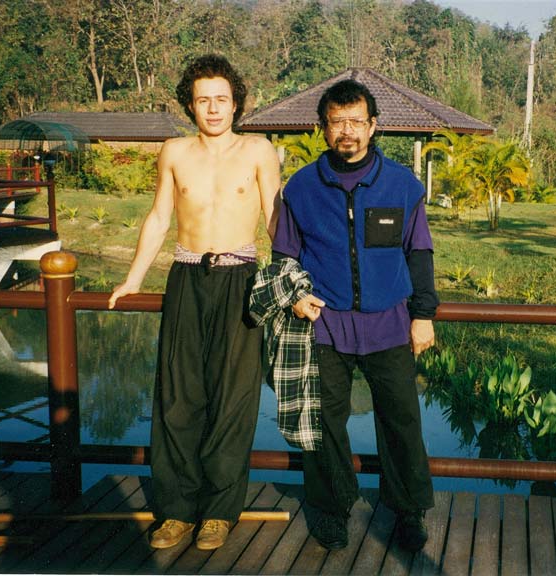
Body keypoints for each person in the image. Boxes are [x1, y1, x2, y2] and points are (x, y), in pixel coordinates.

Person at [108, 54, 281, 551]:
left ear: (236, 104)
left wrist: (292, 279)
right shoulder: (174, 151)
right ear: (190, 103)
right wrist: (133, 280)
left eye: (221, 99)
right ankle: (177, 511)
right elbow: (159, 218)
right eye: (203, 99)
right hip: (186, 276)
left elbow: (274, 215)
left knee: (234, 397)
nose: (212, 108)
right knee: (178, 396)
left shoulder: (257, 149)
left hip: (241, 279)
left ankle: (218, 513)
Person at [271, 79, 438, 552]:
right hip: (324, 322)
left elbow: (419, 253)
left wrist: (422, 315)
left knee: (402, 419)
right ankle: (331, 508)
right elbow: (284, 256)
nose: (347, 131)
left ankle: (407, 510)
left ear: (373, 126)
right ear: (323, 128)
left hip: (389, 320)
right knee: (324, 419)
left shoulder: (402, 185)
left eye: (356, 122)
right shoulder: (301, 187)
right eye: (337, 122)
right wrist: (294, 297)